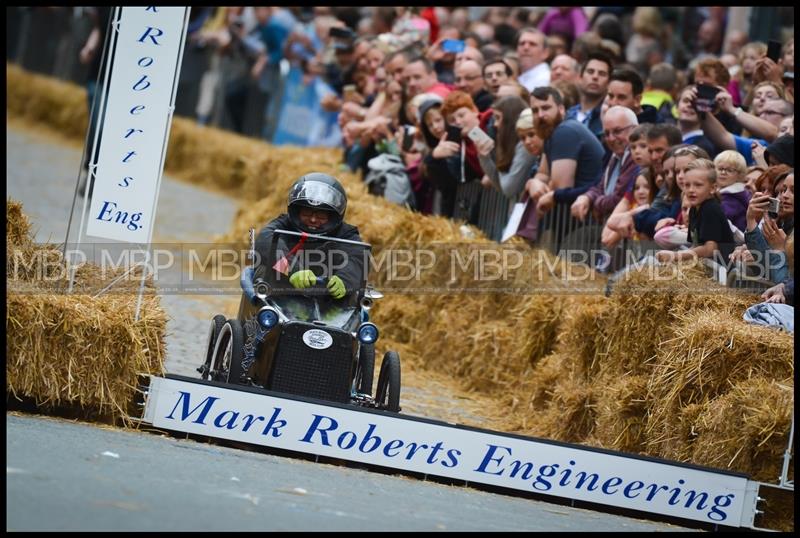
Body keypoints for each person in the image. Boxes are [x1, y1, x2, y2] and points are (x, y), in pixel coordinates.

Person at [254, 173, 364, 300]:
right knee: (262, 269)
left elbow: (358, 257)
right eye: (306, 213)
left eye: (321, 215)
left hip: (327, 299)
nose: (312, 219)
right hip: (281, 294)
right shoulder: (283, 224)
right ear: (296, 210)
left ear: (333, 216)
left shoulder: (347, 234)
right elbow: (266, 241)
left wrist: (345, 279)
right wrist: (292, 268)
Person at [524, 86, 605, 214]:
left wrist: (536, 185)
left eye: (546, 108)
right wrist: (533, 182)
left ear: (561, 109)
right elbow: (543, 174)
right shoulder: (550, 131)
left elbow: (560, 189)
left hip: (586, 217)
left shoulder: (565, 131)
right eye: (535, 110)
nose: (540, 115)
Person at [656, 158, 735, 265]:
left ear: (713, 188)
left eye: (698, 185)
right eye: (687, 185)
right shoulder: (694, 208)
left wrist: (675, 256)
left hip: (722, 271)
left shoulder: (710, 209)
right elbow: (695, 245)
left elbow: (711, 249)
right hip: (706, 267)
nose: (691, 190)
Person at [571, 106, 639, 223]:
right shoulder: (614, 155)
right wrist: (586, 197)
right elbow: (600, 188)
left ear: (635, 129)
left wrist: (595, 203)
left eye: (617, 131)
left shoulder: (635, 157)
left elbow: (617, 199)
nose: (611, 138)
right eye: (606, 133)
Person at [476, 95, 536, 200]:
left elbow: (508, 189)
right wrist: (484, 157)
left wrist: (501, 153)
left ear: (510, 119)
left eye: (498, 118)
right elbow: (500, 186)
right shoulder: (511, 144)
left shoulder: (525, 146)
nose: (495, 124)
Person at [564, 51, 614, 141]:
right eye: (590, 72)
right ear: (580, 77)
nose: (595, 77)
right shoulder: (566, 114)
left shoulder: (610, 117)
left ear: (609, 83)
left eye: (602, 74)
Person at [713, 150, 751, 233]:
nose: (723, 172)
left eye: (729, 170)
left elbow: (719, 220)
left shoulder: (733, 197)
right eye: (720, 169)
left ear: (740, 175)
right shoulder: (722, 193)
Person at [515, 27, 550, 92]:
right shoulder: (515, 77)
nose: (526, 47)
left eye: (532, 44)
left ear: (545, 53)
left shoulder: (547, 79)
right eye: (522, 43)